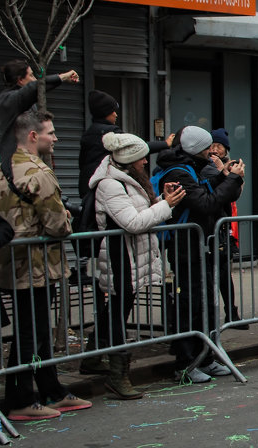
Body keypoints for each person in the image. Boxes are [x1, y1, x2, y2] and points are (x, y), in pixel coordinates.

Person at [0, 108, 91, 420]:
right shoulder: (39, 173)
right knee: (32, 332)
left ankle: (50, 389)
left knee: (33, 330)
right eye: (50, 133)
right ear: (33, 136)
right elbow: (58, 226)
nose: (56, 138)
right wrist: (64, 218)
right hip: (36, 264)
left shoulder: (4, 167)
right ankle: (22, 399)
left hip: (14, 261)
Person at [89, 132, 186, 398]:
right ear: (130, 160)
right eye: (142, 157)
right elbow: (131, 222)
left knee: (119, 309)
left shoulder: (128, 179)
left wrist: (159, 201)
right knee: (119, 313)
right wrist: (165, 206)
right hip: (120, 256)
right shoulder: (110, 184)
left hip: (131, 254)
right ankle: (118, 376)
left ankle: (92, 357)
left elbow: (140, 213)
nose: (146, 161)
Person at [156, 126, 244, 379]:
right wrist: (232, 179)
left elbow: (205, 190)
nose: (211, 151)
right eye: (207, 147)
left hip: (200, 246)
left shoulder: (190, 168)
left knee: (205, 304)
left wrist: (224, 176)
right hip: (186, 248)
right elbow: (204, 203)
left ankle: (204, 357)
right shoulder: (178, 172)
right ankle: (185, 364)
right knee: (189, 305)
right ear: (196, 148)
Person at [0, 61, 79, 176]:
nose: (35, 79)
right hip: (15, 168)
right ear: (20, 80)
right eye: (31, 75)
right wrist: (62, 77)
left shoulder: (22, 101)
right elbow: (33, 87)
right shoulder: (9, 100)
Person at [201, 128, 243, 328]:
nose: (215, 149)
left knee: (225, 272)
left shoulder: (230, 166)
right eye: (212, 145)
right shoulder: (206, 167)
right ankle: (213, 318)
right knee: (211, 274)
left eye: (219, 146)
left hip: (225, 224)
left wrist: (227, 172)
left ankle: (231, 312)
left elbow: (236, 191)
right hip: (211, 225)